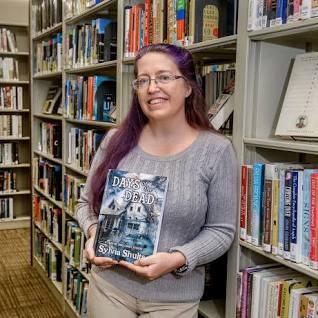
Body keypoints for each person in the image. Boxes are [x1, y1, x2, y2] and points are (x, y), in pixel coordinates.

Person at [76, 43, 238, 318]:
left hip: (173, 299)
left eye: (164, 77)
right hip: (108, 287)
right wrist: (93, 235)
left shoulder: (216, 150)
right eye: (143, 80)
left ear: (188, 87)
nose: (152, 88)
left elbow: (221, 231)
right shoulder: (116, 140)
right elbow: (85, 204)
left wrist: (177, 259)